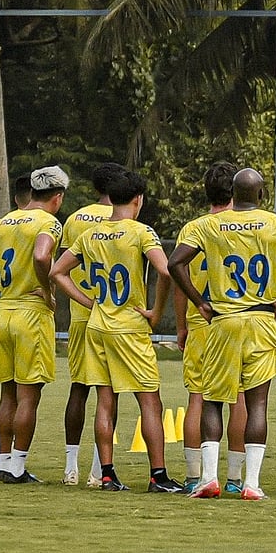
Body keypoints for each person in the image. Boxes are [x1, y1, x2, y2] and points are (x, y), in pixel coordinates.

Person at [169, 168, 276, 500]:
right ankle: (250, 483)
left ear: (233, 195)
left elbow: (175, 263)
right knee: (257, 403)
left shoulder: (207, 225)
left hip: (223, 320)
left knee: (211, 400)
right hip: (261, 320)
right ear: (261, 195)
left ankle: (208, 478)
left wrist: (200, 302)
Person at [52, 170, 181, 492]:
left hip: (98, 325)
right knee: (149, 401)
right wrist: (155, 311)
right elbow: (166, 272)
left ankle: (107, 475)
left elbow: (57, 272)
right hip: (129, 327)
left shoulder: (91, 234)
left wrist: (88, 301)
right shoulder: (141, 232)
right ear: (138, 200)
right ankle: (158, 476)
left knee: (105, 400)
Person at [0, 166, 66, 484]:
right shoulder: (49, 222)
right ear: (57, 197)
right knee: (29, 396)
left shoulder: (1, 223)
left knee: (8, 393)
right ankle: (17, 467)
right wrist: (48, 290)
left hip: (4, 314)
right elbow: (42, 257)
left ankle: (1, 462)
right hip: (31, 314)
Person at [173, 162, 249, 493]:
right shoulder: (247, 227)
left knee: (198, 397)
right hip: (238, 318)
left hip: (201, 320)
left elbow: (179, 279)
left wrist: (181, 325)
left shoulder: (193, 229)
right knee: (240, 398)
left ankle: (194, 476)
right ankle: (234, 478)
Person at [57, 162, 126, 487]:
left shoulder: (74, 219)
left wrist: (83, 301)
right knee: (109, 393)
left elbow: (61, 265)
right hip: (113, 316)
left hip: (82, 315)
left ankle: (70, 466)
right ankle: (99, 470)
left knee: (79, 388)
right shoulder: (124, 219)